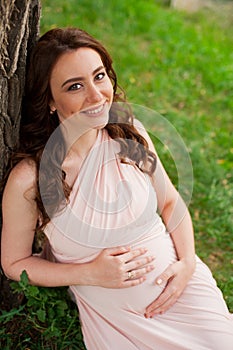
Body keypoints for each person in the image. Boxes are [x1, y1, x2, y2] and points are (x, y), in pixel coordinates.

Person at [1, 27, 232, 350]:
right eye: (75, 86)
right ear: (50, 100)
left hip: (184, 291)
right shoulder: (30, 178)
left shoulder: (129, 133)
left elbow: (169, 202)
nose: (96, 96)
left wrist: (188, 263)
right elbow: (14, 263)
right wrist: (90, 274)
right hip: (120, 322)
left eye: (99, 77)